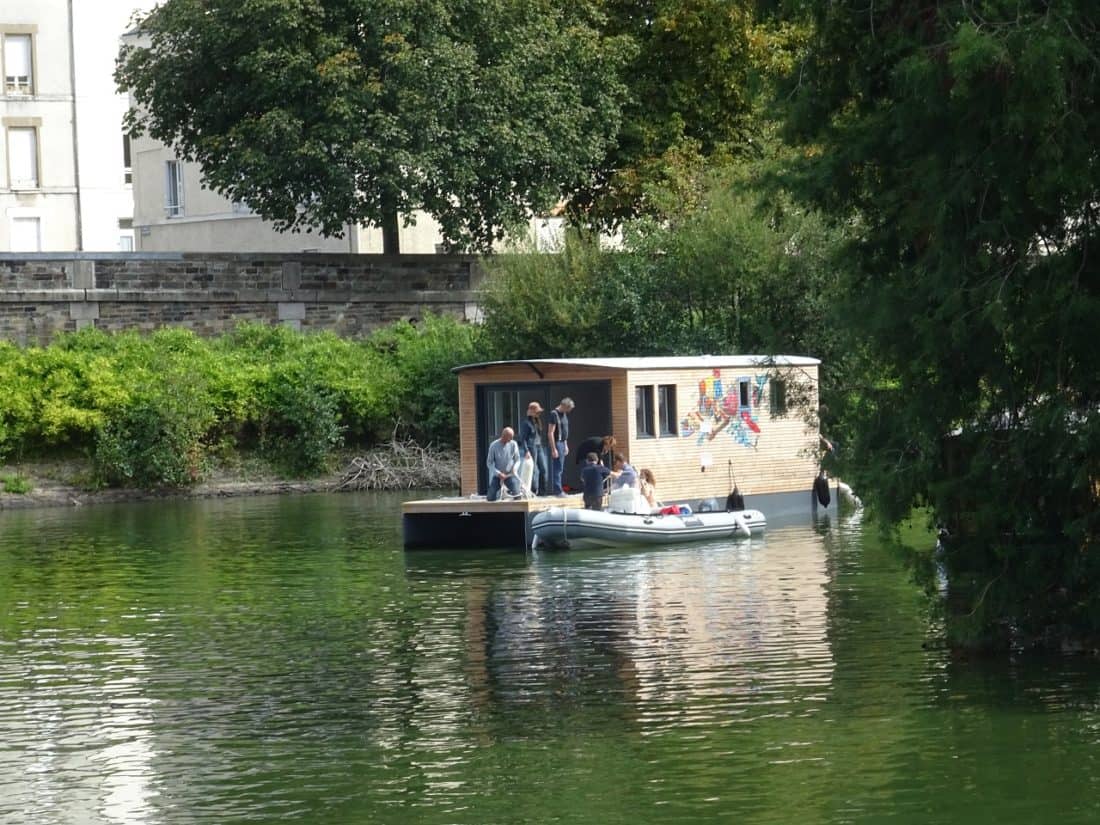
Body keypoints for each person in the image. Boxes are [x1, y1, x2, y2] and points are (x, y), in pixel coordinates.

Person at [518, 401, 547, 496]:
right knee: (533, 470)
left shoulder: (537, 422)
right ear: (532, 412)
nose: (539, 413)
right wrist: (526, 451)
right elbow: (523, 439)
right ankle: (533, 491)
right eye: (537, 412)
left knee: (543, 469)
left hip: (539, 446)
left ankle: (542, 492)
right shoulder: (526, 423)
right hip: (531, 447)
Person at [547, 397, 574, 496]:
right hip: (557, 443)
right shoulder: (554, 414)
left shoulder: (564, 414)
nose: (569, 411)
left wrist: (566, 445)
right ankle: (558, 491)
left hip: (563, 442)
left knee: (561, 468)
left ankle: (560, 489)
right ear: (563, 406)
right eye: (568, 408)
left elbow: (564, 431)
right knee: (558, 468)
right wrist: (554, 449)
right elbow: (550, 433)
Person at [486, 427, 521, 502]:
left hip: (509, 475)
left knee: (517, 495)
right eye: (510, 437)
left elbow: (517, 459)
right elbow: (489, 463)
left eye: (512, 437)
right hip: (498, 476)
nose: (511, 439)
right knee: (490, 497)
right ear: (503, 436)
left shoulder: (513, 444)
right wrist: (498, 473)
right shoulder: (493, 445)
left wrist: (515, 468)